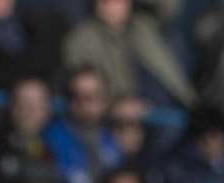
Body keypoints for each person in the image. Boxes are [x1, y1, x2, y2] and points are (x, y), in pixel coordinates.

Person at [62, 0, 193, 109]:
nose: (119, 4)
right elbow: (81, 91)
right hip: (110, 117)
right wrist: (119, 103)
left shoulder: (142, 26)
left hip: (159, 109)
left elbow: (170, 6)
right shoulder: (82, 39)